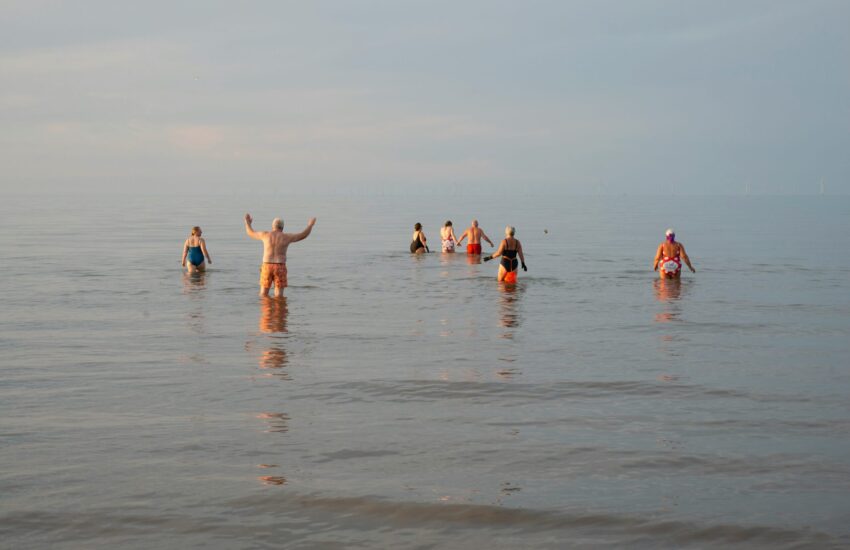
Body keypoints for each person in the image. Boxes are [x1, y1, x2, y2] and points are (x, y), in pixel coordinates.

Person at [245, 213, 316, 297]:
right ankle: (279, 309)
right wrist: (310, 225)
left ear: (272, 226)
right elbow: (303, 235)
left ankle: (265, 309)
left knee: (263, 293)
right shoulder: (286, 237)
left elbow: (251, 233)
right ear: (282, 228)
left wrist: (247, 223)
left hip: (267, 265)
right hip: (280, 266)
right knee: (279, 295)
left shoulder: (265, 235)